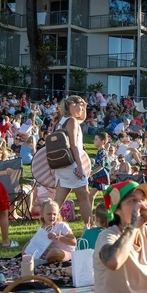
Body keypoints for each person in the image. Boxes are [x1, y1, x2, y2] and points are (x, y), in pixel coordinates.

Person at [51, 96, 95, 228]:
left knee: (58, 201)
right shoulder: (72, 121)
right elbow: (73, 145)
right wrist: (80, 166)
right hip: (72, 164)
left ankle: (48, 227)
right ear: (72, 105)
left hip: (61, 165)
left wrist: (85, 107)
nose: (82, 108)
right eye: (80, 105)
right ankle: (90, 228)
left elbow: (81, 118)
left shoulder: (62, 121)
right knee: (84, 198)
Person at [29, 198, 77, 263]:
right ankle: (42, 259)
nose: (52, 216)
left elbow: (74, 242)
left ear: (57, 215)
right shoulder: (43, 229)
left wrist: (58, 237)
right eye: (49, 214)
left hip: (67, 253)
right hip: (52, 252)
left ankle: (43, 261)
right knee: (27, 247)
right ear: (42, 214)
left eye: (54, 214)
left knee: (54, 252)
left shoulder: (61, 226)